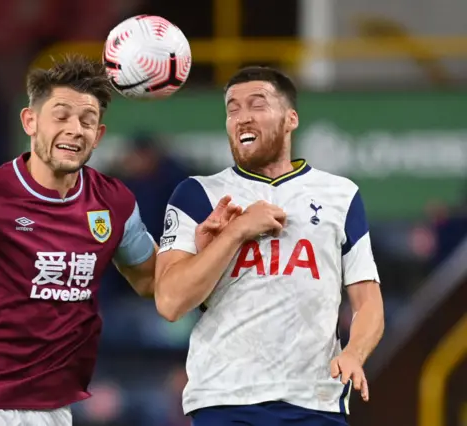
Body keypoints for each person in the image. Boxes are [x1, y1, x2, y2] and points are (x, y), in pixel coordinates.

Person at [0, 55, 230, 426]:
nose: (75, 129)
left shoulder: (114, 203)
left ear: (98, 135)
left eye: (87, 120)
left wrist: (195, 247)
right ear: (30, 121)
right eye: (61, 116)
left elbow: (153, 282)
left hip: (53, 412)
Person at [154, 66, 385, 426]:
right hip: (225, 399)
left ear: (290, 118)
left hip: (316, 400)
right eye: (232, 109)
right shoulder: (198, 194)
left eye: (256, 105)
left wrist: (354, 352)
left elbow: (368, 301)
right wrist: (236, 232)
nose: (242, 117)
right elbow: (169, 302)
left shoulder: (341, 195)